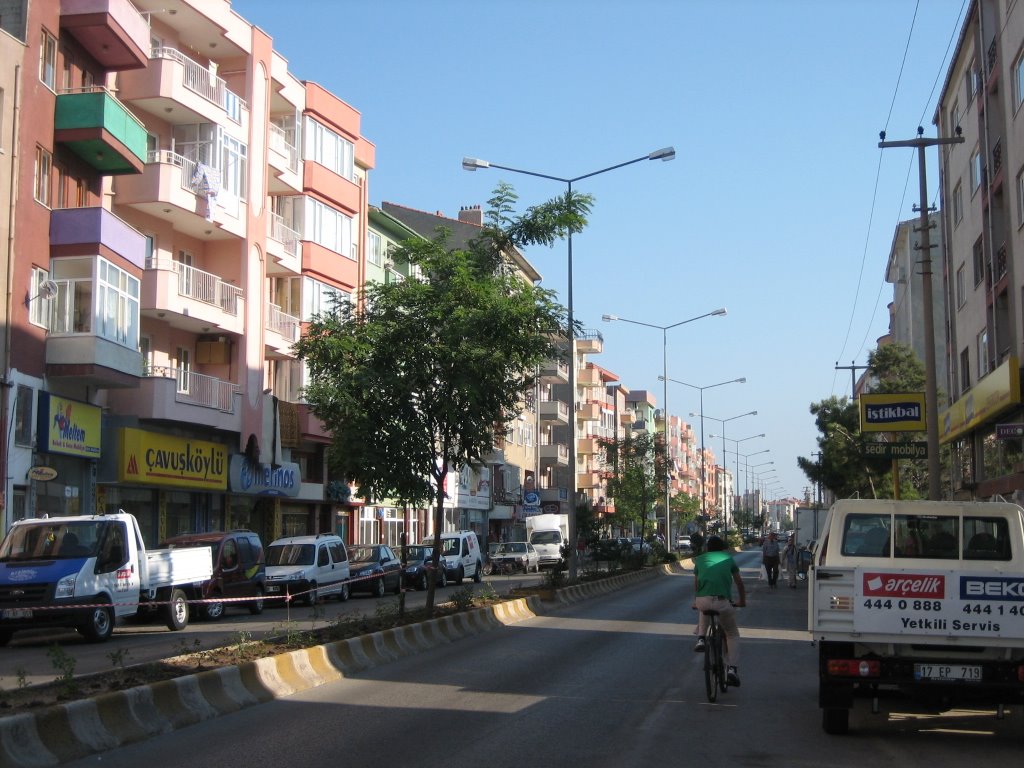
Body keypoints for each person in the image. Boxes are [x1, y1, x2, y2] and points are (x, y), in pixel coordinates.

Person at [691, 534, 747, 687]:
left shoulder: (700, 559)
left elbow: (697, 584)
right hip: (722, 602)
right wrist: (741, 601)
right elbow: (740, 583)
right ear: (722, 548)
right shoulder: (727, 559)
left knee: (703, 609)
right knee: (732, 634)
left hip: (702, 600)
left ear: (707, 548)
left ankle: (701, 637)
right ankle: (732, 670)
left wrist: (696, 601)